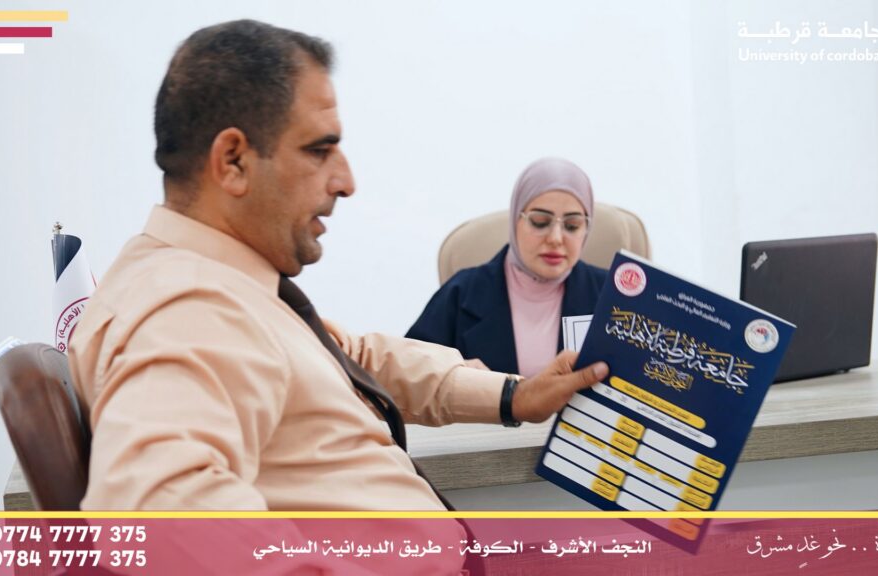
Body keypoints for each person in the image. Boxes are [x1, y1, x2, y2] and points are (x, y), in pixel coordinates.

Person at [67, 19, 608, 514]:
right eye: (319, 150)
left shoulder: (220, 285)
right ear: (232, 161)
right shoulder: (189, 311)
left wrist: (515, 395)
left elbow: (354, 358)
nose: (346, 182)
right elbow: (155, 517)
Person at [406, 158, 608, 377]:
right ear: (514, 220)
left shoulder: (611, 298)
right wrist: (454, 376)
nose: (556, 238)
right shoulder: (460, 293)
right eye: (540, 222)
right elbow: (406, 376)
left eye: (572, 225)